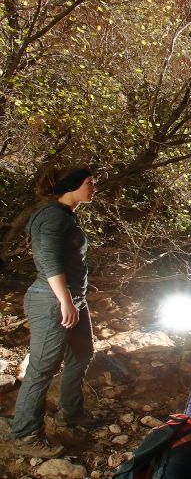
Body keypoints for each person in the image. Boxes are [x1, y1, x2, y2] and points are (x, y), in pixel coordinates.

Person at [11, 165, 97, 458]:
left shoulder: (64, 215)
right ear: (72, 185)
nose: (93, 187)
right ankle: (24, 434)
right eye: (89, 182)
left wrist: (74, 300)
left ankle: (71, 413)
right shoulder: (51, 216)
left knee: (83, 353)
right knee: (41, 370)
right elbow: (47, 259)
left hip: (71, 300)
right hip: (52, 302)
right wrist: (65, 301)